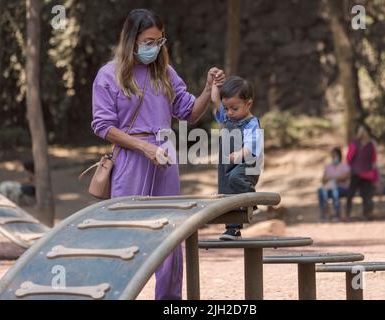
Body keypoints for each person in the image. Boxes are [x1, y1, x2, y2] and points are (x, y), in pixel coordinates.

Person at [91, 9, 225, 300]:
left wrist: (207, 89)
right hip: (130, 160)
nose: (154, 46)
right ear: (131, 40)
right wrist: (143, 147)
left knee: (169, 236)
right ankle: (118, 295)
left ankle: (169, 301)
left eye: (159, 41)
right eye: (148, 40)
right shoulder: (108, 75)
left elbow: (189, 112)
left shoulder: (164, 72)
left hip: (165, 160)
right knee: (126, 233)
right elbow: (103, 126)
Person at [211, 76, 263, 241]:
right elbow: (215, 100)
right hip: (227, 165)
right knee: (227, 195)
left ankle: (251, 200)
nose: (229, 113)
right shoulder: (226, 118)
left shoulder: (251, 123)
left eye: (234, 108)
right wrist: (214, 85)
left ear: (248, 104)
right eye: (227, 108)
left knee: (236, 178)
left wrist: (240, 153)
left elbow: (252, 144)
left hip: (247, 164)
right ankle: (232, 230)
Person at [345, 124, 379, 221]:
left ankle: (367, 214)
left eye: (363, 131)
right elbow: (348, 158)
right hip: (356, 173)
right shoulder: (355, 143)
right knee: (350, 194)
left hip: (367, 174)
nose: (362, 133)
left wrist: (375, 175)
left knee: (366, 195)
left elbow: (374, 160)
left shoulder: (371, 145)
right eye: (360, 131)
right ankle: (348, 213)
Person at [317, 147, 350, 221]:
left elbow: (345, 176)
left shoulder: (344, 166)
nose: (334, 157)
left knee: (335, 192)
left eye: (335, 155)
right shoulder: (328, 167)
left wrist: (333, 178)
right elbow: (323, 179)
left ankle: (337, 214)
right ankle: (324, 213)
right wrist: (332, 178)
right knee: (321, 191)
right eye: (333, 155)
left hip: (341, 188)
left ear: (339, 155)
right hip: (328, 187)